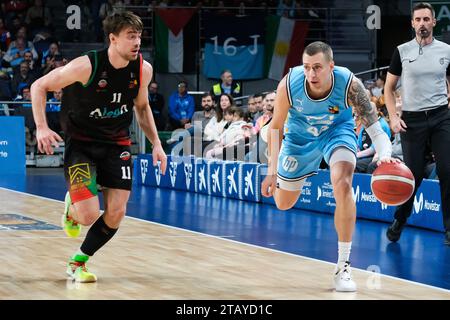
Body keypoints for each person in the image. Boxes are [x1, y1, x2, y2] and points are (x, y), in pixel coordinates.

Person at [30, 11, 167, 283]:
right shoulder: (86, 66)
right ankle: (73, 208)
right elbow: (38, 86)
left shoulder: (143, 68)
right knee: (88, 215)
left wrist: (157, 144)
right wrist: (42, 127)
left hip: (117, 144)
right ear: (113, 39)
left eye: (139, 35)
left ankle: (77, 262)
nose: (137, 41)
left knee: (116, 212)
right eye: (130, 36)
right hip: (81, 144)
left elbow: (141, 107)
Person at [261, 41, 397, 292]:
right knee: (283, 203)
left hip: (337, 132)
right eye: (307, 67)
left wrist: (385, 152)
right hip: (298, 138)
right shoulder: (289, 85)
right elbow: (277, 127)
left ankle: (343, 267)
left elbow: (374, 126)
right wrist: (271, 172)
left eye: (317, 67)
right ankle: (263, 138)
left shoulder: (349, 83)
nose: (311, 74)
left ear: (331, 67)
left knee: (343, 183)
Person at [384, 2, 450, 246]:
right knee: (412, 176)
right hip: (412, 120)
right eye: (418, 19)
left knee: (447, 170)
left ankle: (449, 229)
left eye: (426, 19)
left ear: (434, 22)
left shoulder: (446, 50)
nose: (422, 23)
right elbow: (388, 88)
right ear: (412, 24)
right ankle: (400, 219)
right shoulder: (401, 51)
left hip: (441, 116)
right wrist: (393, 116)